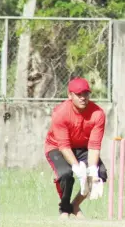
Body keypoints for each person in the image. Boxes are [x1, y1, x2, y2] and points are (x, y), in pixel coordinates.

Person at [44, 77, 107, 219]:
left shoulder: (98, 114)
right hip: (57, 147)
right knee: (66, 174)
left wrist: (91, 171)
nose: (83, 97)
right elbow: (64, 146)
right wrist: (79, 170)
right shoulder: (60, 113)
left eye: (86, 94)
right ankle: (64, 209)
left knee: (100, 173)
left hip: (82, 147)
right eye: (78, 94)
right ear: (69, 95)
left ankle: (75, 205)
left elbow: (94, 146)